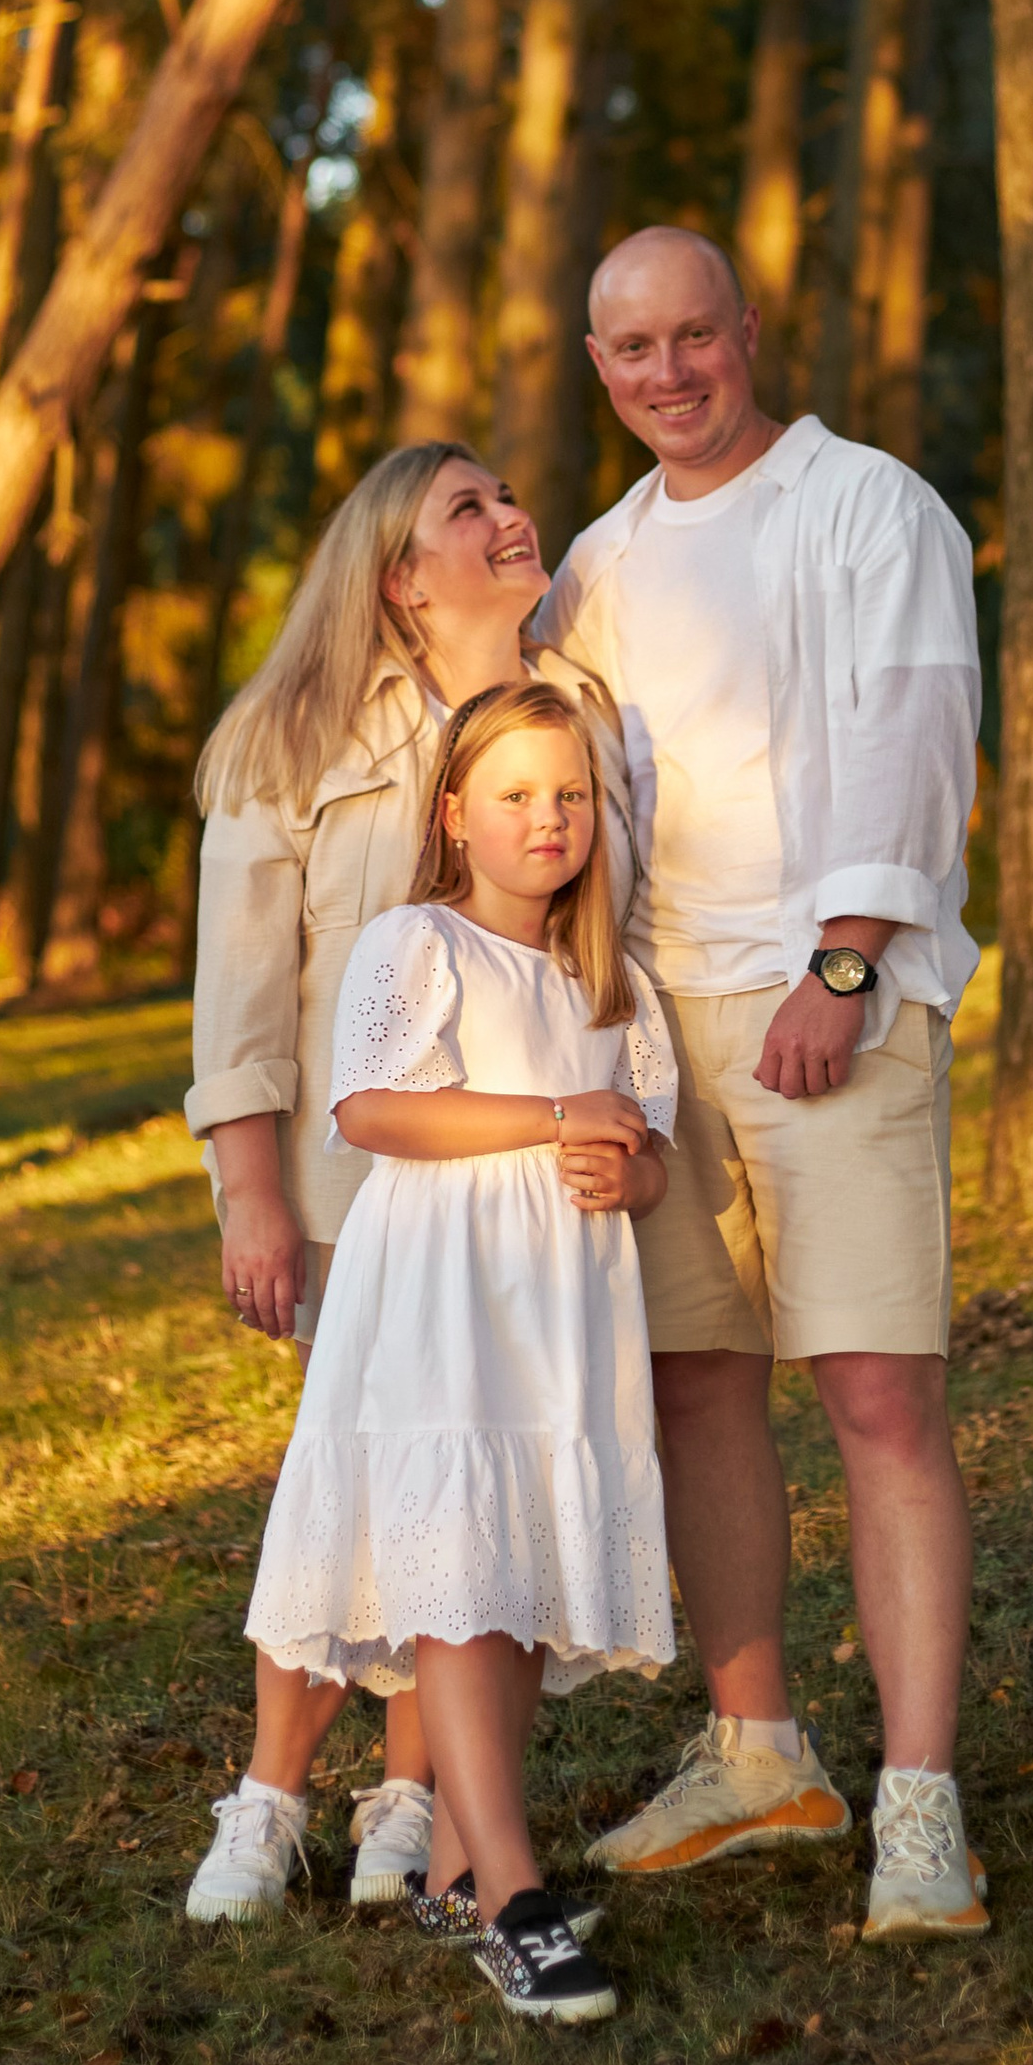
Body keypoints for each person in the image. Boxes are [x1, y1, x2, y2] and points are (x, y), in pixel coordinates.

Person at [538, 224, 987, 1939]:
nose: (669, 373)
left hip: (831, 1008)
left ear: (747, 330)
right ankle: (759, 1752)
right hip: (661, 1037)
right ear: (602, 363)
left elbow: (918, 742)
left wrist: (846, 966)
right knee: (699, 1391)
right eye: (633, 348)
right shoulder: (594, 565)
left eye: (694, 337)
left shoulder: (872, 506)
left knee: (879, 1398)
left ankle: (919, 1804)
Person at [180, 445, 631, 1926]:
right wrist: (253, 1195)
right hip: (355, 1184)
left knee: (475, 1488)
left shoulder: (584, 712)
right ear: (398, 574)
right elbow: (241, 1001)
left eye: (513, 494)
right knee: (359, 1478)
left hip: (529, 1205)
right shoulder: (292, 740)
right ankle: (269, 1797)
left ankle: (416, 1794)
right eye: (469, 508)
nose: (513, 517)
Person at [244, 680, 677, 2022]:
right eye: (513, 795)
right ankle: (515, 1901)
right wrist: (560, 1115)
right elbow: (369, 1107)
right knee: (461, 1578)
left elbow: (647, 1149)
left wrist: (631, 1176)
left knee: (519, 1573)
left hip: (559, 1307)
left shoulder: (614, 984)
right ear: (454, 816)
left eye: (568, 796)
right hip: (444, 1298)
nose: (546, 820)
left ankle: (449, 1869)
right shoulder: (417, 940)